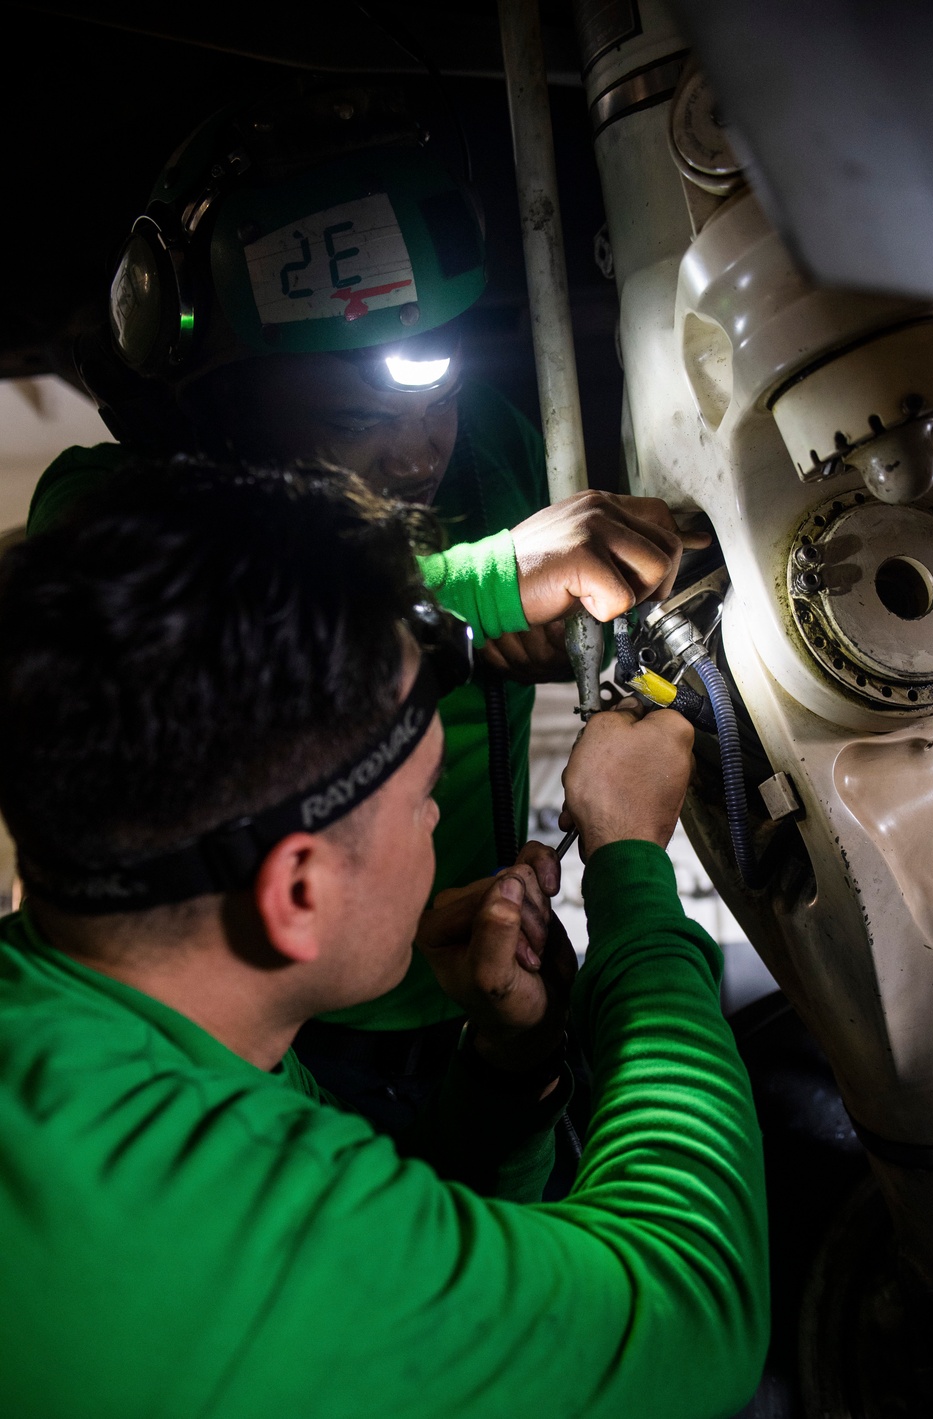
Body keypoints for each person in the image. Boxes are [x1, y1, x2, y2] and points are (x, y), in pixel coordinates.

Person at [0, 457, 767, 1418]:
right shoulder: (221, 1227)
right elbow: (690, 1314)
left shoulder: (98, 1018)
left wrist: (507, 1063)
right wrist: (631, 873)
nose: (440, 829)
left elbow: (412, 1247)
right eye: (423, 803)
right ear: (299, 890)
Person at [30, 82, 709, 1131]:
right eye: (355, 415)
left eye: (432, 392)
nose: (418, 450)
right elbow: (231, 619)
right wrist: (480, 585)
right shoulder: (108, 512)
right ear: (219, 400)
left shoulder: (482, 444)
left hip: (472, 974)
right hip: (271, 1032)